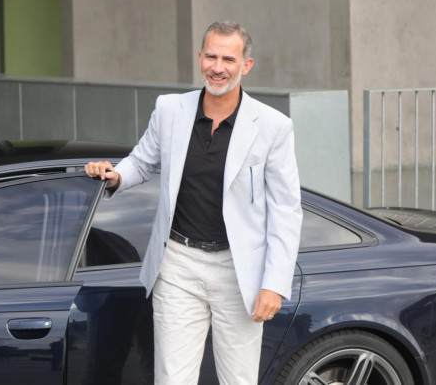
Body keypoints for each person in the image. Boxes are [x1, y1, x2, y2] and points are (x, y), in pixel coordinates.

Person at [84, 21, 302, 384]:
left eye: (228, 59)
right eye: (211, 56)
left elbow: (285, 209)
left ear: (245, 65)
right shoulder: (170, 109)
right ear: (200, 58)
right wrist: (115, 175)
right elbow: (143, 161)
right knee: (172, 378)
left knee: (239, 379)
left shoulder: (273, 126)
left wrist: (274, 283)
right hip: (178, 265)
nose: (218, 67)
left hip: (239, 270)